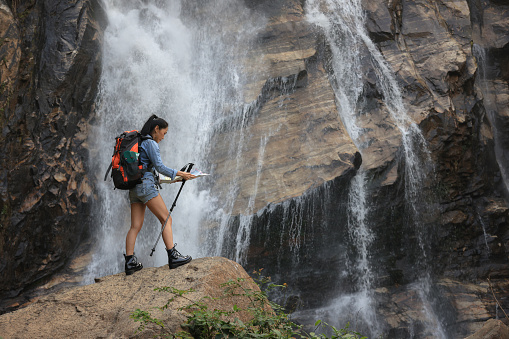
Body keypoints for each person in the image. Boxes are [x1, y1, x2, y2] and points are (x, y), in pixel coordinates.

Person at [124, 114, 196, 275]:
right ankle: (173, 256)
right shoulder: (150, 143)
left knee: (135, 226)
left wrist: (176, 178)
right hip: (146, 187)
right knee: (166, 219)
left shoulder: (140, 142)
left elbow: (149, 171)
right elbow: (160, 167)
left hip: (134, 188)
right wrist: (181, 173)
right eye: (164, 133)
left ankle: (129, 262)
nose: (164, 137)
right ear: (156, 129)